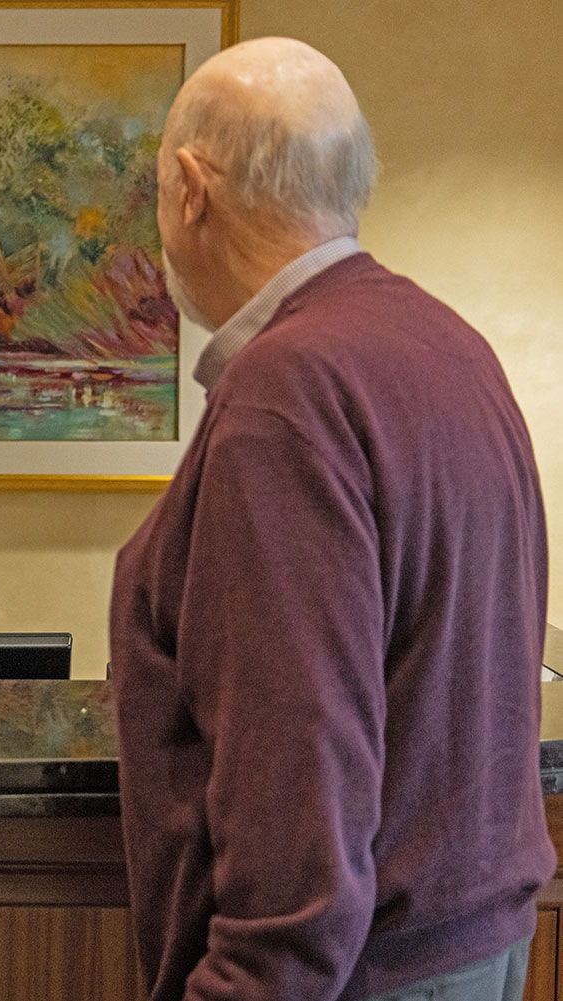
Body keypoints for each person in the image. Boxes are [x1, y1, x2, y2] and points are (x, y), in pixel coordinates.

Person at [109, 37, 553, 1001]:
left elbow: (296, 754)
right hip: (473, 949)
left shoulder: (287, 394)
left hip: (351, 976)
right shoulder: (451, 344)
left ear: (190, 188)